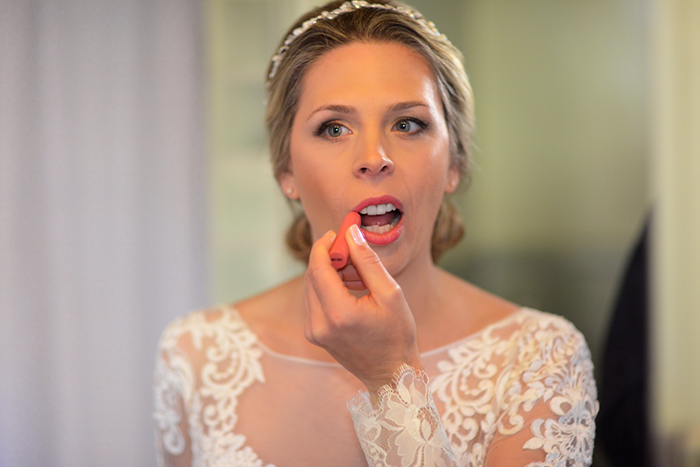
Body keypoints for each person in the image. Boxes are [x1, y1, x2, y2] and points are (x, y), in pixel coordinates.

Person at [153, 1, 598, 466]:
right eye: (334, 128)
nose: (374, 156)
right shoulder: (196, 354)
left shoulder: (539, 359)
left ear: (455, 162)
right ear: (286, 170)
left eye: (407, 124)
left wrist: (391, 378)